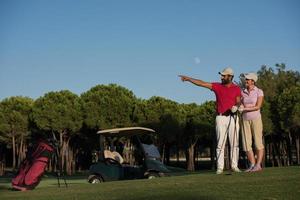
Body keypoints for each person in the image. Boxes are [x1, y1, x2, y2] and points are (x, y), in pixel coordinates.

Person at [179, 67, 241, 174]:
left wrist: (236, 106)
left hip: (233, 117)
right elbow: (202, 83)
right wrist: (189, 79)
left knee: (234, 143)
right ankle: (220, 168)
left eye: (224, 75)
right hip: (221, 117)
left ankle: (235, 166)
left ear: (230, 77)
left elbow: (238, 101)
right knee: (220, 144)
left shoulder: (236, 88)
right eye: (221, 75)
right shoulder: (217, 86)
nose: (221, 77)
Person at [239, 72, 264, 172]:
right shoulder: (242, 92)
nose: (246, 80)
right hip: (245, 120)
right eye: (246, 79)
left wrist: (244, 109)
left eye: (248, 79)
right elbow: (240, 104)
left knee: (258, 143)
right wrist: (239, 107)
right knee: (246, 144)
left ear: (253, 81)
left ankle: (258, 165)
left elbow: (258, 106)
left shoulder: (259, 91)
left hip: (256, 119)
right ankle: (252, 164)